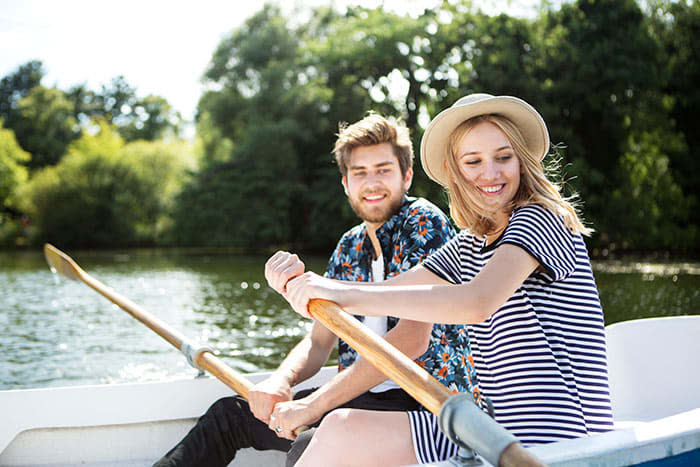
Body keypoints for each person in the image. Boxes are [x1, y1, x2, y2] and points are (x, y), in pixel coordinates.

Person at [281, 93, 615, 466]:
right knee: (341, 429)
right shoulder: (471, 242)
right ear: (455, 170)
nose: (490, 173)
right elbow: (398, 288)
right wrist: (314, 286)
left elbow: (477, 302)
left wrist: (339, 293)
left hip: (557, 439)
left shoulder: (541, 217)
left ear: (521, 160)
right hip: (490, 428)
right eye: (473, 161)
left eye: (503, 157)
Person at [154, 113, 477, 467]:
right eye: (360, 173)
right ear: (345, 183)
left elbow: (412, 339)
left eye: (384, 169)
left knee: (309, 442)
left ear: (407, 176)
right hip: (358, 395)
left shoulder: (423, 222)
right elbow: (318, 342)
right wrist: (280, 381)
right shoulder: (348, 246)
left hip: (421, 404)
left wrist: (314, 404)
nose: (372, 183)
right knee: (230, 414)